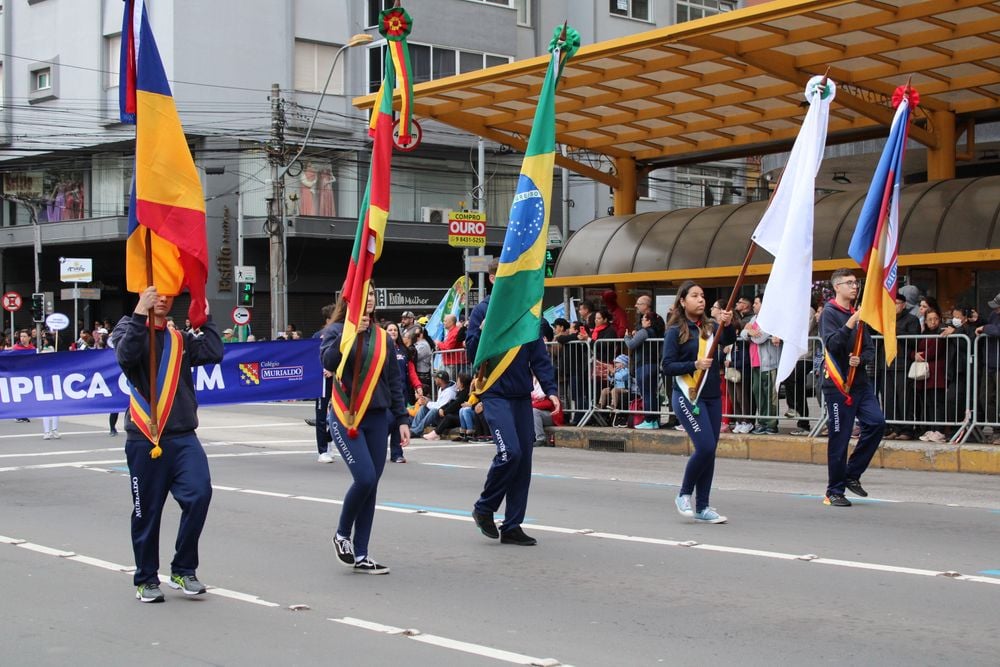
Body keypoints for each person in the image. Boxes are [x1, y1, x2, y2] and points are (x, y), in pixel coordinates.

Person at [112, 286, 224, 602]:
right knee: (146, 513)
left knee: (200, 494)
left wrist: (205, 315)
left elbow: (214, 351)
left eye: (169, 294)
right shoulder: (128, 326)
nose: (163, 299)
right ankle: (146, 578)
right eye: (156, 293)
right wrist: (138, 314)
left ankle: (183, 569)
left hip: (183, 436)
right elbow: (126, 356)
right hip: (145, 438)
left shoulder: (180, 339)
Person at [467, 260, 559, 547]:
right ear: (494, 278)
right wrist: (482, 331)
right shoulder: (483, 310)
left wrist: (551, 389)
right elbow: (472, 353)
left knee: (524, 462)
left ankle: (512, 525)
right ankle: (484, 508)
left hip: (520, 395)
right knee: (510, 453)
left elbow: (539, 355)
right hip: (494, 393)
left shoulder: (526, 311)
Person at [321, 284, 410, 575]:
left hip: (377, 419)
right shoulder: (337, 331)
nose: (369, 299)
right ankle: (341, 535)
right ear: (350, 299)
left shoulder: (384, 338)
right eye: (364, 294)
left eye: (372, 294)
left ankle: (362, 554)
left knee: (371, 487)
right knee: (365, 477)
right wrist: (350, 335)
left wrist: (401, 420)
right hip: (347, 417)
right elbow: (328, 362)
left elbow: (394, 382)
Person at [662, 280, 734, 524]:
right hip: (688, 395)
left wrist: (729, 322)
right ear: (683, 301)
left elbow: (729, 340)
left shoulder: (710, 327)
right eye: (694, 295)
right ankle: (684, 494)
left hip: (713, 396)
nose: (701, 299)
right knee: (704, 447)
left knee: (710, 451)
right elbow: (667, 366)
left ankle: (703, 506)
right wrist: (694, 364)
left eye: (703, 295)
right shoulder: (675, 331)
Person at [819, 268, 886, 507]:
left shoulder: (858, 314)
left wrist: (862, 359)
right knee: (840, 436)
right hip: (838, 386)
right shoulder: (830, 312)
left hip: (859, 383)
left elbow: (868, 348)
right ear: (837, 287)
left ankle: (851, 474)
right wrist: (850, 323)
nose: (854, 286)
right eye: (848, 283)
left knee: (877, 423)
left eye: (855, 283)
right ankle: (834, 490)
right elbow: (833, 344)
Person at [881, 294, 921, 441]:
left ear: (904, 304)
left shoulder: (911, 320)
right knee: (888, 398)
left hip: (903, 364)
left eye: (896, 303)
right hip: (886, 363)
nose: (893, 306)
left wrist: (894, 330)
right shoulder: (885, 320)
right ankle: (893, 427)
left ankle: (907, 429)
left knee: (904, 399)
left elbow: (914, 341)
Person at [387, 322, 422, 461]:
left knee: (399, 421)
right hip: (384, 392)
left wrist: (417, 386)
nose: (393, 332)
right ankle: (374, 448)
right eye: (390, 330)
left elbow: (411, 371)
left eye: (395, 330)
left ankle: (397, 454)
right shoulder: (380, 350)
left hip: (401, 392)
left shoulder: (404, 350)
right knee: (387, 421)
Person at [626, 310, 665, 430]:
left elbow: (631, 345)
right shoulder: (656, 332)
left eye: (643, 319)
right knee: (652, 394)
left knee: (646, 394)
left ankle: (648, 420)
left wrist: (626, 337)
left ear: (649, 321)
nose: (641, 321)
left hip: (644, 366)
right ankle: (653, 421)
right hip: (653, 366)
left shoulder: (644, 332)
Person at [312, 304, 337, 463]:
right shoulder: (318, 336)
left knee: (341, 415)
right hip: (322, 381)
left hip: (341, 380)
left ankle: (329, 438)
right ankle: (322, 450)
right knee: (321, 416)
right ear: (329, 319)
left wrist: (334, 370)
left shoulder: (343, 333)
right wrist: (324, 369)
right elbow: (312, 358)